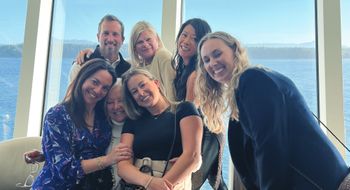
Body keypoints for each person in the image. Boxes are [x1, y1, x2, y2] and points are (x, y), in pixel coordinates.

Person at [196, 31, 350, 190]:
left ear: (234, 51)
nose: (212, 63)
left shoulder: (252, 80)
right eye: (206, 60)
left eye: (217, 54)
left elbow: (270, 147)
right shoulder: (249, 84)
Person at [24, 78, 133, 189]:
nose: (116, 106)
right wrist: (51, 154)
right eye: (110, 102)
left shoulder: (108, 122)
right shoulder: (104, 121)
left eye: (121, 101)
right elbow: (66, 164)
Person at [117, 68, 202, 189]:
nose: (141, 93)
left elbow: (192, 156)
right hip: (139, 185)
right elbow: (123, 167)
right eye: (134, 92)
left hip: (173, 185)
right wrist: (149, 182)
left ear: (156, 83)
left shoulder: (184, 109)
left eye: (142, 85)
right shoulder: (132, 121)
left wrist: (162, 186)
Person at [172, 18, 227, 190]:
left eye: (195, 39)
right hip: (209, 132)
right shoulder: (183, 68)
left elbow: (188, 114)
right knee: (217, 184)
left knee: (188, 182)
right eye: (184, 35)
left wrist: (182, 154)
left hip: (206, 136)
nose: (186, 41)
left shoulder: (195, 75)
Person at [70, 14, 131, 82]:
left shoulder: (129, 70)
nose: (110, 39)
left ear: (122, 39)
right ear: (98, 37)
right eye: (106, 33)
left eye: (115, 34)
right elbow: (72, 92)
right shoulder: (81, 65)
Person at [129, 21, 176, 101]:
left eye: (148, 39)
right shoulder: (140, 67)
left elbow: (172, 95)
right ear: (134, 48)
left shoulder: (163, 57)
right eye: (140, 42)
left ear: (156, 39)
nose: (145, 44)